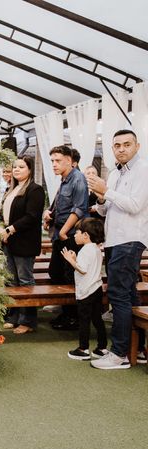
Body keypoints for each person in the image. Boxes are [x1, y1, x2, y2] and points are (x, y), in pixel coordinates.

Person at [88, 130, 148, 369]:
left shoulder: (143, 170)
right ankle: (139, 349)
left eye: (126, 144)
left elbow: (134, 206)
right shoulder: (113, 174)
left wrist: (107, 191)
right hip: (113, 240)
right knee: (129, 294)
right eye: (117, 145)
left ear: (137, 146)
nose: (121, 149)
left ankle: (120, 353)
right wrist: (101, 198)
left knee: (118, 295)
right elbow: (105, 211)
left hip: (130, 238)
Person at [0, 157, 44, 334]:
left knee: (25, 281)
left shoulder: (35, 189)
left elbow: (32, 216)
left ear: (30, 169)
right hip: (9, 240)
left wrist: (11, 228)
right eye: (14, 167)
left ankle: (28, 321)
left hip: (24, 241)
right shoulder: (12, 189)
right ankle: (14, 316)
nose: (16, 170)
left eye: (21, 167)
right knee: (11, 280)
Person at [47, 145, 89, 331]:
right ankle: (67, 313)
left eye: (58, 161)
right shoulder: (64, 179)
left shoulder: (78, 178)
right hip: (60, 234)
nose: (54, 165)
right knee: (56, 273)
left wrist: (64, 231)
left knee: (69, 276)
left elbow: (79, 208)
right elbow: (62, 206)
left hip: (70, 236)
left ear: (69, 160)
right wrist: (50, 215)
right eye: (52, 161)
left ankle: (74, 318)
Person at [61, 218, 108, 360]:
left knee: (84, 321)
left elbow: (82, 269)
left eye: (77, 232)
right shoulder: (96, 249)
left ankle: (83, 349)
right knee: (97, 319)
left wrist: (71, 260)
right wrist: (75, 259)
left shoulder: (85, 250)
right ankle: (102, 347)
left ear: (86, 235)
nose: (74, 235)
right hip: (96, 289)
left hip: (86, 292)